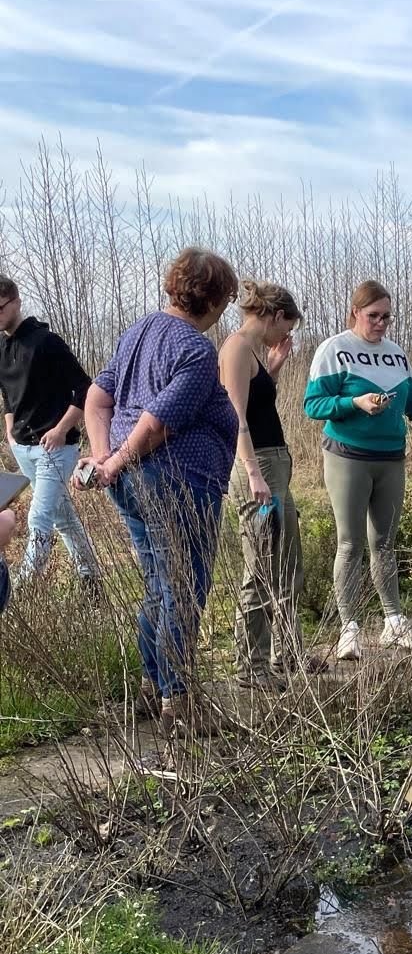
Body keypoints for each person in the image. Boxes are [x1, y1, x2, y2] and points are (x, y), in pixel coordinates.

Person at [84, 247, 240, 735]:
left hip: (134, 482)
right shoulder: (195, 349)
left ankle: (156, 687)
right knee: (183, 590)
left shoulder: (138, 332)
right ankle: (178, 701)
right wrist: (115, 459)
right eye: (226, 300)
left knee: (159, 585)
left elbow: (97, 397)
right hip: (176, 484)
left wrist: (102, 456)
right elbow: (155, 424)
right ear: (213, 299)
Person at [304, 281, 412, 658]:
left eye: (387, 317)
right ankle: (349, 628)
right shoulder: (335, 350)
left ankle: (393, 623)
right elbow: (313, 405)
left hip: (391, 459)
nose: (381, 323)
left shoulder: (396, 354)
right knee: (350, 544)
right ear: (355, 313)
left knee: (384, 543)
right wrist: (356, 402)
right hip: (348, 457)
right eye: (373, 316)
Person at [218, 280, 303, 690]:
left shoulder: (253, 351)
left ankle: (287, 654)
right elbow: (236, 418)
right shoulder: (234, 348)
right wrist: (253, 474)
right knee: (262, 566)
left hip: (274, 463)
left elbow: (256, 399)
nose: (286, 335)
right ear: (272, 314)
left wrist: (275, 365)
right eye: (286, 326)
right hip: (257, 468)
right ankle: (250, 668)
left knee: (286, 560)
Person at [0, 275, 100, 589]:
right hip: (24, 448)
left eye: (0, 308)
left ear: (15, 301)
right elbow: (8, 394)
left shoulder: (47, 342)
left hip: (56, 448)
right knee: (64, 519)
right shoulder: (1, 349)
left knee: (38, 519)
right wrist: (9, 429)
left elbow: (86, 390)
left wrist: (61, 429)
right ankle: (91, 580)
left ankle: (17, 593)